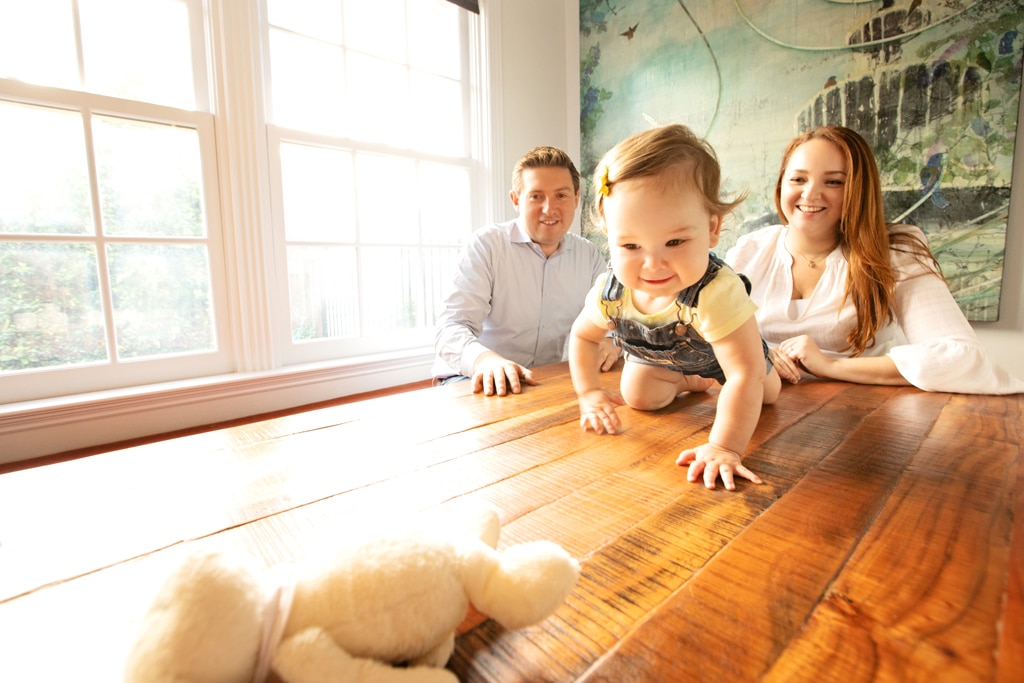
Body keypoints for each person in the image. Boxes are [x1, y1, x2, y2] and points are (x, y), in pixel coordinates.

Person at [725, 125, 1024, 394]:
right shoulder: (749, 251)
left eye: (834, 182)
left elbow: (961, 357)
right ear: (781, 185)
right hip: (761, 408)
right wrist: (760, 355)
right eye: (798, 179)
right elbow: (701, 342)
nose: (810, 193)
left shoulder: (898, 252)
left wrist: (829, 366)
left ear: (859, 189)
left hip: (866, 417)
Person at [569, 124, 781, 491]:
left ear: (712, 229)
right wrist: (588, 392)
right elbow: (583, 337)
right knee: (639, 396)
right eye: (630, 247)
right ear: (609, 236)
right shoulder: (611, 291)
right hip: (671, 359)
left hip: (732, 354)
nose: (653, 265)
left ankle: (752, 366)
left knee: (764, 392)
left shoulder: (716, 292)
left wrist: (724, 447)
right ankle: (690, 378)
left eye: (674, 241)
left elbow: (745, 375)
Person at [433, 146, 620, 396]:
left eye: (561, 196)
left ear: (576, 198)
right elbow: (451, 327)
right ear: (516, 200)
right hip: (470, 376)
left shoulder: (589, 255)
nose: (549, 209)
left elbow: (614, 318)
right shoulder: (486, 246)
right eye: (536, 196)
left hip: (544, 380)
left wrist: (609, 342)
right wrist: (484, 361)